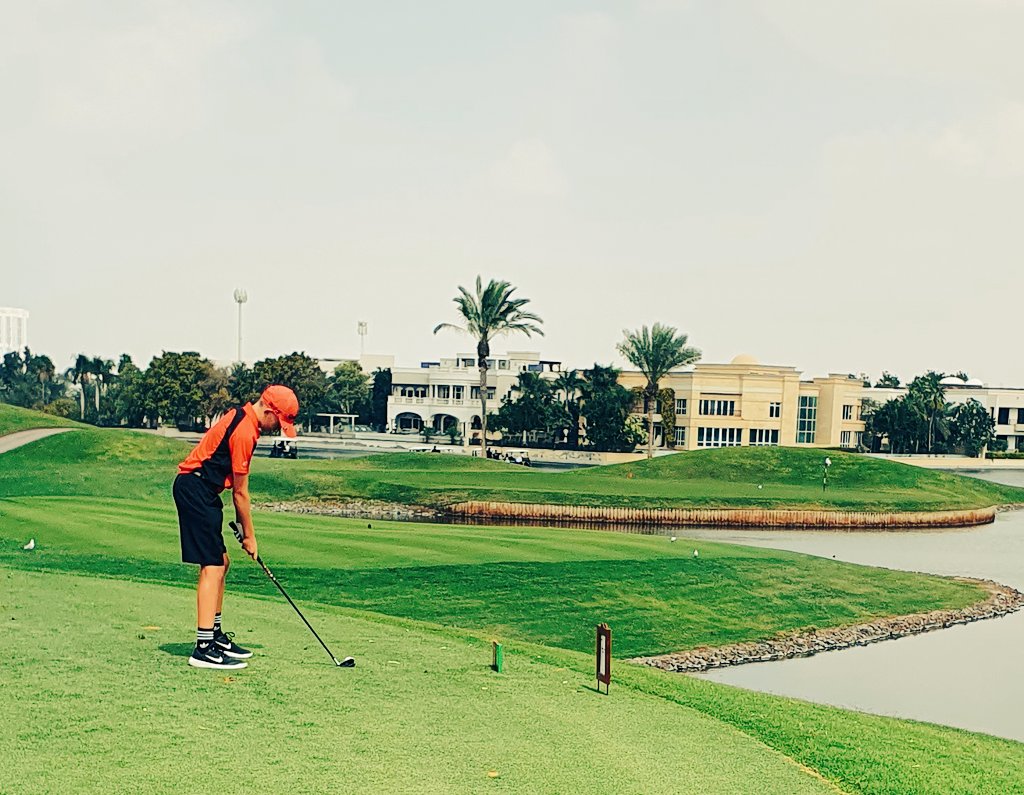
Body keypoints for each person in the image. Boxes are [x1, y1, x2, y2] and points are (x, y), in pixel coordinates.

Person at [172, 385, 299, 669]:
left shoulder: (245, 420)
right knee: (213, 566)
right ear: (269, 411)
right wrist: (251, 536)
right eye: (278, 422)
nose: (277, 428)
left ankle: (214, 634)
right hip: (195, 488)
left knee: (222, 562)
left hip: (203, 490)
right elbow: (240, 493)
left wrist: (245, 530)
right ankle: (203, 647)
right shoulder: (245, 430)